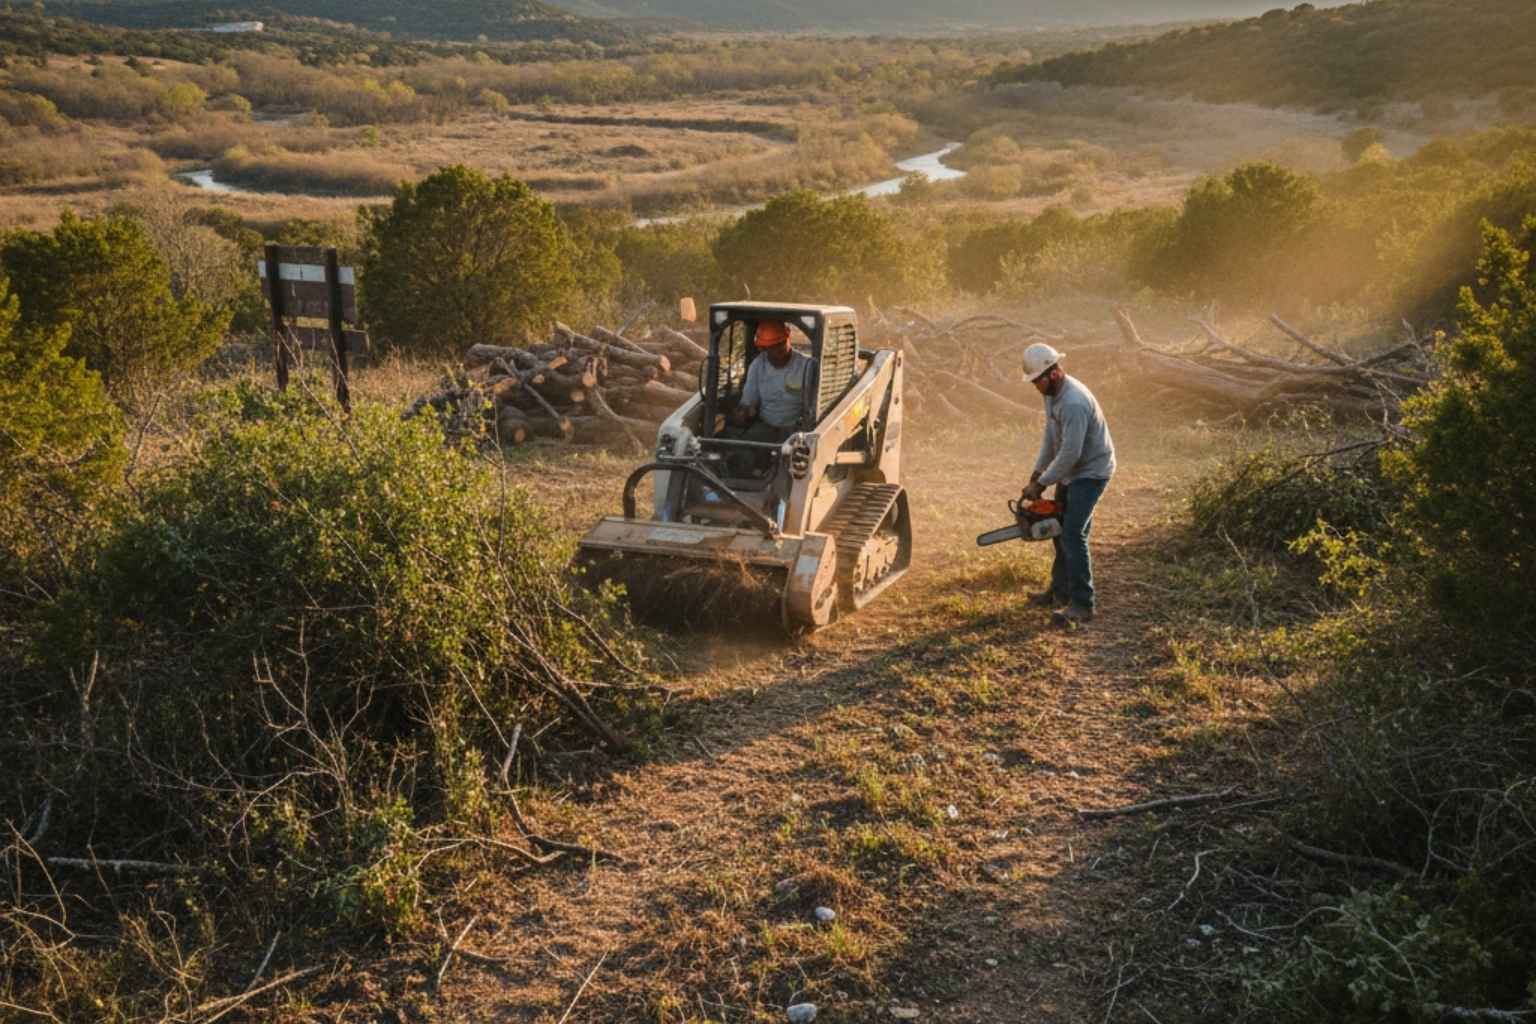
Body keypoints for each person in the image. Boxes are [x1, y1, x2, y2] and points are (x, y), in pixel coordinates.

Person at [1018, 342, 1115, 626]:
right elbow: (1051, 437)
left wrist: (1044, 483)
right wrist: (1037, 474)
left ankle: (1083, 604)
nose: (1036, 387)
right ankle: (1059, 592)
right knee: (1060, 531)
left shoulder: (1073, 402)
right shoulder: (1052, 395)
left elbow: (1070, 453)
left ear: (1054, 373)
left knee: (1074, 534)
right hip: (1071, 471)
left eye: (1037, 381)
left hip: (1091, 472)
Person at [732, 319, 815, 444]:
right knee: (745, 449)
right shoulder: (758, 366)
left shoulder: (806, 366)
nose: (777, 351)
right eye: (772, 347)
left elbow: (813, 406)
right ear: (764, 348)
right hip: (766, 426)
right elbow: (749, 401)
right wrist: (743, 412)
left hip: (797, 430)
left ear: (788, 338)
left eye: (780, 344)